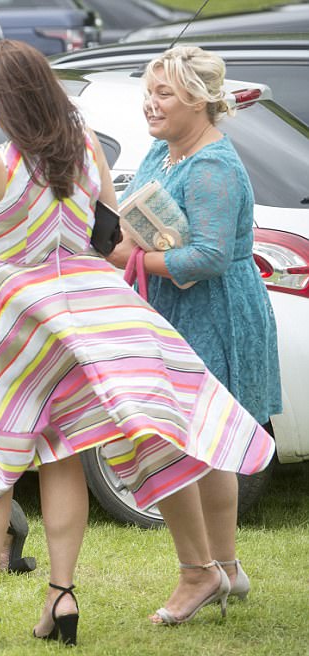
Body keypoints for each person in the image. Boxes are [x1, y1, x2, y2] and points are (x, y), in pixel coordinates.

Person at [0, 40, 274, 647]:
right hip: (81, 310)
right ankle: (62, 595)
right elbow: (107, 225)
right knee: (61, 453)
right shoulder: (83, 150)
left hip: (14, 316)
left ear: (1, 100)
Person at [106, 46, 282, 620]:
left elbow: (207, 256)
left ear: (200, 101)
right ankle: (224, 568)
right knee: (198, 444)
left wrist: (129, 262)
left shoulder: (213, 167)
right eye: (148, 91)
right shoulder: (165, 150)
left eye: (164, 93)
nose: (149, 103)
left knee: (191, 443)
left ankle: (205, 572)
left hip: (213, 312)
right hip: (168, 309)